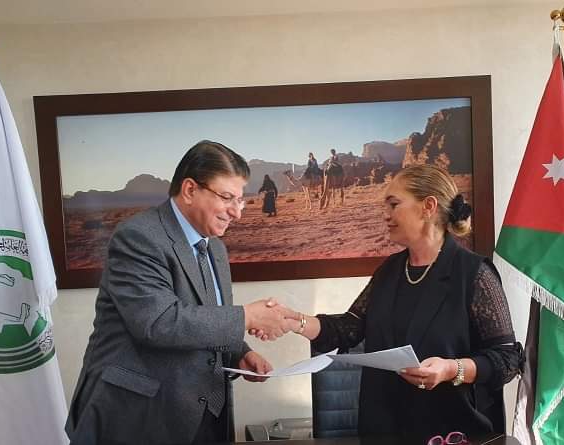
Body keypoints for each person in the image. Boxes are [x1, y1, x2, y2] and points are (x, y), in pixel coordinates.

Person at [254, 164, 523, 442]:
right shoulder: (390, 270)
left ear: (428, 207)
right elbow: (348, 328)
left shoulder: (475, 273)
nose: (385, 214)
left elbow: (507, 360)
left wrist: (451, 370)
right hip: (383, 427)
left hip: (450, 430)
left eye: (394, 204)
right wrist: (293, 320)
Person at [66, 140, 298, 445]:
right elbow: (158, 322)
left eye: (240, 200)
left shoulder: (215, 247)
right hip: (139, 419)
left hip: (206, 416)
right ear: (189, 190)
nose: (237, 212)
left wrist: (241, 352)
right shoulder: (138, 237)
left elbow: (205, 314)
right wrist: (248, 317)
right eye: (227, 197)